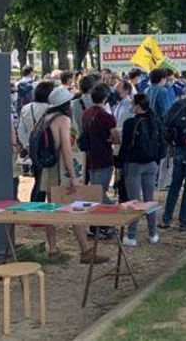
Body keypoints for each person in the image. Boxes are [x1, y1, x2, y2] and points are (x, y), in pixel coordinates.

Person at [39, 86, 108, 263]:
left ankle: (53, 249)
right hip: (62, 170)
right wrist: (74, 175)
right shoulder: (63, 120)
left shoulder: (46, 117)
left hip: (49, 169)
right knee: (75, 207)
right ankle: (85, 251)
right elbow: (67, 150)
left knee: (50, 210)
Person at [115, 93, 162, 247]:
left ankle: (132, 235)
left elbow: (125, 146)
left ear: (137, 105)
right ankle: (153, 232)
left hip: (134, 165)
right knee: (149, 200)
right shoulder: (155, 121)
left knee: (133, 201)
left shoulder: (130, 123)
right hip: (152, 163)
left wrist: (119, 164)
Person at [160, 78, 186, 230]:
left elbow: (165, 124)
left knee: (175, 185)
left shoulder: (176, 105)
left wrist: (171, 143)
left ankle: (166, 218)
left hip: (177, 148)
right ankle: (184, 220)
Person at [82, 83, 120, 238]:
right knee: (100, 193)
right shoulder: (107, 117)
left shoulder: (86, 113)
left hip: (90, 157)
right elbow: (116, 138)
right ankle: (109, 218)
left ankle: (97, 224)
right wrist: (110, 138)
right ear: (105, 98)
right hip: (104, 156)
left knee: (96, 191)